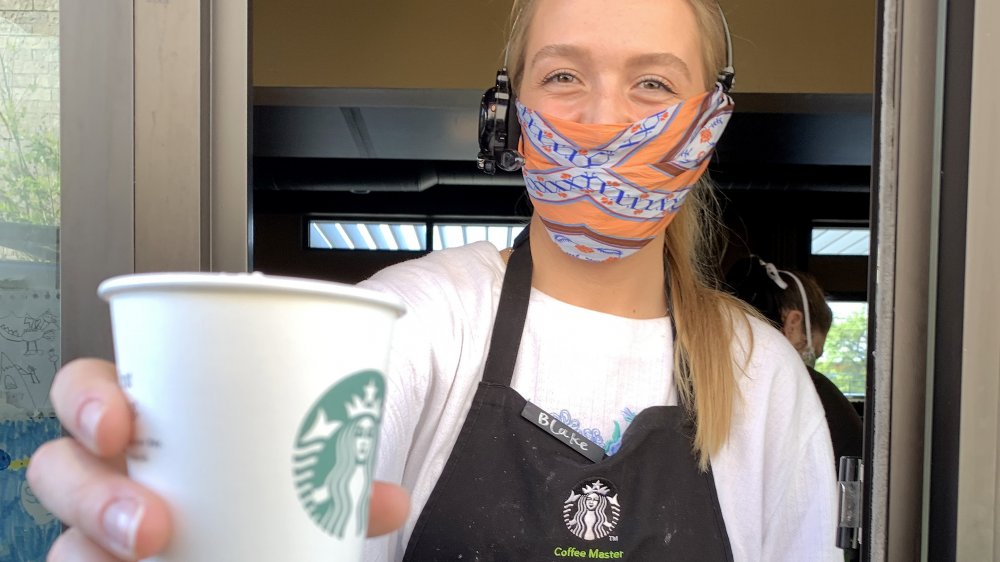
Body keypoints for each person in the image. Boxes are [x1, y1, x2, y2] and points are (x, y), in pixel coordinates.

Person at [27, 0, 841, 560]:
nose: (603, 119)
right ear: (512, 115)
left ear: (708, 125)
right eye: (563, 77)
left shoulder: (760, 378)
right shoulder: (409, 324)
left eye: (653, 84)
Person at [724, 256, 864, 465]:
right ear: (793, 323)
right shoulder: (814, 393)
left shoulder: (712, 378)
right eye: (814, 352)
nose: (811, 363)